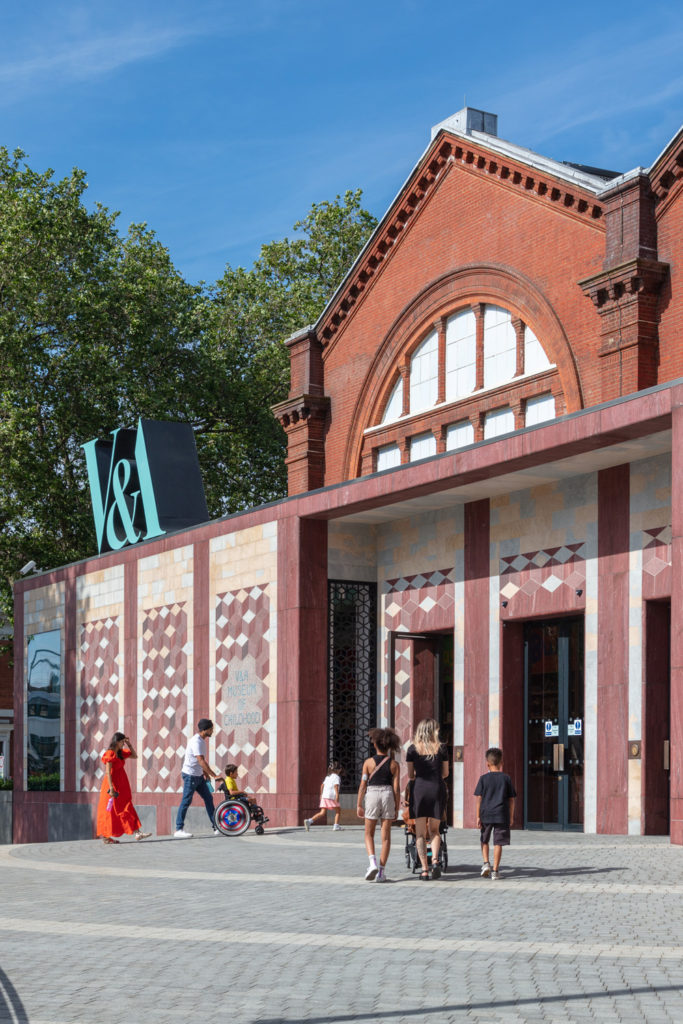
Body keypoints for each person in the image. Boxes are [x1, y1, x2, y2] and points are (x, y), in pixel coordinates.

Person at [406, 718, 449, 880]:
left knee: (420, 833)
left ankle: (424, 869)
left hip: (419, 790)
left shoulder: (412, 749)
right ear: (434, 731)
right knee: (435, 830)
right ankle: (436, 861)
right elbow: (445, 774)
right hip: (437, 788)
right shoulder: (442, 748)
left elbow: (410, 775)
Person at [356, 727, 401, 882]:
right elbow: (396, 788)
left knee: (369, 833)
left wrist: (359, 804)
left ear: (375, 744)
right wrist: (396, 806)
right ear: (389, 745)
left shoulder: (368, 763)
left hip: (372, 794)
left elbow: (363, 785)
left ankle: (372, 862)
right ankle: (381, 872)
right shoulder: (394, 764)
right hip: (388, 794)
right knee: (386, 837)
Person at [96, 732, 151, 844]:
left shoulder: (120, 753)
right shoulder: (110, 754)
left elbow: (135, 756)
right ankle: (107, 837)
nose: (123, 745)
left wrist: (129, 744)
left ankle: (137, 832)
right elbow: (108, 772)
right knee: (109, 811)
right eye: (122, 742)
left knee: (127, 806)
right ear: (117, 742)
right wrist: (111, 788)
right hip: (112, 786)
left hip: (122, 786)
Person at [174, 719, 223, 838]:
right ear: (205, 730)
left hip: (198, 776)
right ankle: (178, 829)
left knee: (208, 798)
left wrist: (204, 774)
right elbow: (200, 760)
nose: (212, 731)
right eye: (211, 729)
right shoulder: (196, 741)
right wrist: (213, 775)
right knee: (186, 800)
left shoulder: (201, 741)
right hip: (190, 775)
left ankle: (216, 827)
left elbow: (200, 762)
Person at [474, 746, 516, 879]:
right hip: (501, 814)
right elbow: (511, 800)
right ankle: (496, 871)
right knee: (498, 842)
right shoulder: (506, 778)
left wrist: (477, 816)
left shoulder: (483, 779)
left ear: (487, 763)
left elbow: (478, 799)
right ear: (501, 763)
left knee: (484, 839)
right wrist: (511, 816)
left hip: (486, 814)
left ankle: (486, 863)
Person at [304, 762, 343, 831]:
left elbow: (322, 785)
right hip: (331, 797)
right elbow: (336, 786)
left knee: (322, 812)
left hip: (324, 796)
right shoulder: (336, 777)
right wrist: (337, 795)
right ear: (338, 770)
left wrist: (321, 795)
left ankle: (309, 821)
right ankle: (336, 826)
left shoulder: (327, 777)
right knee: (338, 811)